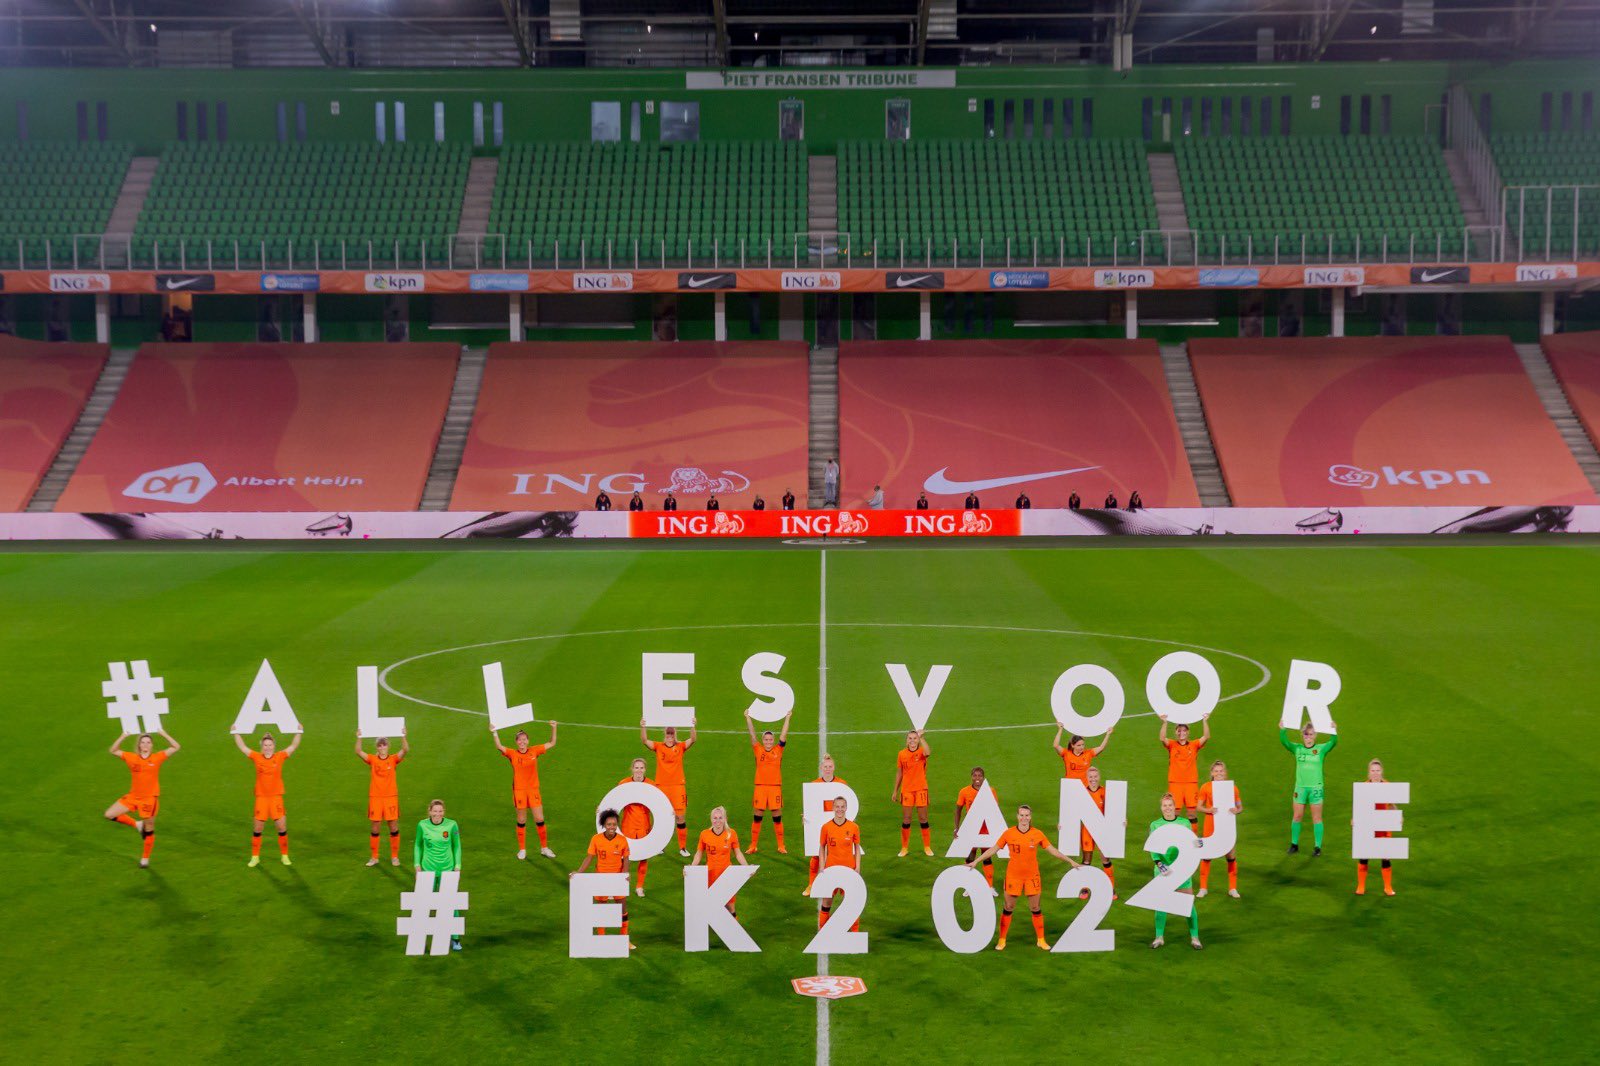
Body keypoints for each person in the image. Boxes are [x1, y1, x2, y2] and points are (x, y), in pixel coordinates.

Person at [968, 805, 1080, 951]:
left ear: (1030, 817)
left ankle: (1041, 939)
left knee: (1035, 907)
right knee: (1009, 907)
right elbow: (993, 849)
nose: (1024, 818)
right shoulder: (1008, 834)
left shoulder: (1038, 834)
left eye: (1027, 815)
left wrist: (1070, 861)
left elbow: (1052, 850)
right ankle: (1002, 940)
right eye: (1021, 815)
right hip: (1013, 877)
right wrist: (976, 861)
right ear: (1017, 816)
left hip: (1032, 877)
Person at [105, 730, 180, 868]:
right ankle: (137, 824)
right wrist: (123, 735)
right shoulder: (131, 758)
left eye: (148, 742)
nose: (145, 744)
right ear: (139, 745)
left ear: (152, 745)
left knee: (149, 829)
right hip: (133, 797)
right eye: (143, 742)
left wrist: (162, 733)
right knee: (109, 814)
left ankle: (145, 858)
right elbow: (113, 750)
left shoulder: (157, 758)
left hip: (149, 800)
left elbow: (176, 747)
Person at [489, 721, 558, 859]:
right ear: (516, 742)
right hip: (519, 791)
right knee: (521, 819)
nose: (522, 741)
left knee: (539, 818)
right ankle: (522, 849)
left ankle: (544, 848)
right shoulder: (512, 754)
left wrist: (554, 728)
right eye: (519, 739)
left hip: (533, 790)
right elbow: (499, 746)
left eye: (524, 739)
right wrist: (494, 732)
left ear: (528, 741)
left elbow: (552, 743)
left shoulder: (534, 750)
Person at [235, 728, 302, 867]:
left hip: (276, 798)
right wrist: (235, 733)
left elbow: (293, 746)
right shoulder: (256, 757)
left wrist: (298, 732)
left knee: (281, 827)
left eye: (270, 745)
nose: (267, 747)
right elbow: (242, 747)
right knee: (258, 829)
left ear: (274, 746)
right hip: (261, 799)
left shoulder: (280, 756)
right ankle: (255, 857)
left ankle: (284, 855)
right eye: (265, 745)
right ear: (262, 746)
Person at [572, 808, 632, 949]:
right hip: (600, 879)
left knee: (622, 908)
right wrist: (579, 872)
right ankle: (601, 938)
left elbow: (626, 859)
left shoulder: (622, 840)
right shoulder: (596, 839)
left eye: (614, 824)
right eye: (609, 824)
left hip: (617, 879)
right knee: (601, 909)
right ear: (604, 825)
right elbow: (589, 857)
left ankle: (624, 939)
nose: (612, 827)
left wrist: (625, 874)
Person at [1148, 793, 1202, 950]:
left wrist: (1198, 843)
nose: (1167, 808)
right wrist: (1159, 863)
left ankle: (1195, 937)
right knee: (1160, 905)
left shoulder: (1184, 823)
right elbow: (1153, 848)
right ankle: (1159, 937)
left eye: (1170, 805)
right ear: (1161, 808)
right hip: (1162, 870)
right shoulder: (1155, 825)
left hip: (1182, 869)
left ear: (1174, 807)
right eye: (1165, 805)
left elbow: (1192, 842)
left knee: (1188, 905)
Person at [1280, 718, 1338, 855]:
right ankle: (1294, 844)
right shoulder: (1297, 749)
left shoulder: (1320, 749)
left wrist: (1333, 731)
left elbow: (1333, 743)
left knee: (1316, 818)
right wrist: (1283, 730)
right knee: (1297, 816)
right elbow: (1285, 742)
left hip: (1315, 788)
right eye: (1306, 734)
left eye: (1311, 734)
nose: (1308, 737)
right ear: (1302, 736)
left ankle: (1317, 847)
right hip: (1300, 788)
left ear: (1315, 735)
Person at [414, 799, 464, 952]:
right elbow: (417, 845)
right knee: (424, 905)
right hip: (428, 870)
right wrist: (417, 866)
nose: (437, 814)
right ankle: (419, 939)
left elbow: (457, 846)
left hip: (447, 870)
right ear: (429, 811)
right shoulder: (422, 825)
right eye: (435, 811)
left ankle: (455, 939)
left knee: (452, 905)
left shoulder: (451, 825)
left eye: (440, 811)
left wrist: (458, 866)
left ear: (444, 812)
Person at [642, 718, 697, 855]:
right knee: (662, 817)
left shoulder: (680, 747)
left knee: (680, 817)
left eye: (672, 735)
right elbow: (644, 741)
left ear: (675, 735)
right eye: (668, 735)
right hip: (661, 787)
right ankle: (660, 846)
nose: (670, 737)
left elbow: (693, 739)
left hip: (678, 787)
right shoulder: (658, 746)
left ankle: (682, 848)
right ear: (665, 735)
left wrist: (692, 725)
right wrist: (643, 726)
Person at [357, 727, 409, 867]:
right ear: (377, 747)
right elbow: (358, 752)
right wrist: (359, 737)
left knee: (393, 825)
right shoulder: (373, 760)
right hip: (375, 798)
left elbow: (405, 750)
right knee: (375, 827)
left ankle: (394, 856)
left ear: (388, 746)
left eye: (384, 744)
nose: (382, 746)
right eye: (379, 744)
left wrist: (403, 735)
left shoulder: (393, 759)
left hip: (390, 797)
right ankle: (374, 857)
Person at [810, 797, 864, 931]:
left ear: (846, 808)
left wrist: (857, 866)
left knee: (851, 903)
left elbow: (857, 847)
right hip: (831, 869)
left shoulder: (853, 827)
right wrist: (822, 867)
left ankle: (855, 934)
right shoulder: (826, 827)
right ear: (833, 808)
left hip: (849, 870)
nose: (840, 809)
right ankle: (822, 932)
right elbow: (822, 847)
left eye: (842, 807)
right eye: (837, 806)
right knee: (826, 902)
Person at [690, 806, 749, 920]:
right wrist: (692, 868)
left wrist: (746, 868)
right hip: (711, 873)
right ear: (711, 819)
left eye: (720, 818)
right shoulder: (704, 834)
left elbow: (738, 853)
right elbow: (699, 853)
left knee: (730, 905)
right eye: (715, 818)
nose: (717, 821)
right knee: (712, 903)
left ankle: (733, 929)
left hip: (727, 874)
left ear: (725, 818)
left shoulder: (731, 833)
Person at [745, 711, 791, 854]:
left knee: (777, 817)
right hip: (760, 787)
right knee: (757, 816)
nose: (769, 742)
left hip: (775, 788)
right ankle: (753, 845)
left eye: (771, 740)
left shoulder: (779, 750)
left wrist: (787, 718)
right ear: (763, 740)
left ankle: (781, 845)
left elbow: (783, 736)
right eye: (766, 739)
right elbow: (752, 735)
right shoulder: (758, 749)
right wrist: (748, 718)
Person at [1196, 760, 1242, 898]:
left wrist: (1236, 810)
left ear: (1225, 773)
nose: (1219, 773)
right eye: (1216, 771)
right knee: (1206, 855)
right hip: (1210, 825)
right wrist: (1208, 809)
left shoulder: (1232, 788)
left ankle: (1232, 888)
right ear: (1212, 773)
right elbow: (1198, 807)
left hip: (1227, 824)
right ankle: (1203, 888)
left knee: (1231, 856)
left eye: (1221, 771)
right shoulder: (1206, 787)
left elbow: (1240, 807)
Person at [1075, 765, 1121, 899]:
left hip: (1102, 830)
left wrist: (1121, 822)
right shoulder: (1082, 792)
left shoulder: (1105, 792)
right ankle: (1084, 888)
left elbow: (1114, 811)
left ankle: (1111, 888)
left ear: (1099, 777)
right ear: (1087, 778)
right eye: (1091, 777)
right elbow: (1073, 813)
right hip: (1087, 831)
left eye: (1095, 776)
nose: (1093, 779)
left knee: (1105, 859)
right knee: (1086, 860)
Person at [1158, 713, 1210, 826]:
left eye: (1184, 730)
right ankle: (1175, 836)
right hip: (1175, 783)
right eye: (1179, 730)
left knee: (1192, 813)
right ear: (1176, 732)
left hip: (1191, 783)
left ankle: (1193, 838)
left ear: (1188, 732)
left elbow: (1206, 736)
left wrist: (1205, 721)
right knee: (1174, 813)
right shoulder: (1172, 744)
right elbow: (1162, 738)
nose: (1181, 733)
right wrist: (1165, 723)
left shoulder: (1194, 745)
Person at [1354, 758, 1396, 896]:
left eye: (1378, 770)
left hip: (1384, 825)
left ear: (1381, 771)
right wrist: (1354, 819)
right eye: (1373, 771)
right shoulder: (1364, 787)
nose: (1375, 773)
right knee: (1364, 856)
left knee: (1385, 857)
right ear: (1369, 772)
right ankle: (1361, 886)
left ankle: (1387, 887)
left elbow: (1392, 804)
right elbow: (1359, 807)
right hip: (1368, 825)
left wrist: (1397, 816)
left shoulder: (1387, 785)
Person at [807, 755, 848, 894]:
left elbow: (847, 805)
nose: (828, 769)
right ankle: (811, 884)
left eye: (830, 767)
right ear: (821, 768)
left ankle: (840, 886)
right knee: (816, 854)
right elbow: (810, 806)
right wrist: (806, 818)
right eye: (825, 767)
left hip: (837, 824)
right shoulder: (814, 785)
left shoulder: (842, 784)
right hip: (820, 824)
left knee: (838, 854)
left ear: (834, 768)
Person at [954, 766, 999, 893]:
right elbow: (958, 810)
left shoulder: (990, 791)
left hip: (985, 829)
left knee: (987, 857)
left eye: (980, 776)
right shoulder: (964, 791)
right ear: (971, 777)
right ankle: (969, 886)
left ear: (983, 777)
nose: (977, 778)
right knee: (970, 857)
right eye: (975, 775)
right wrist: (956, 828)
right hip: (971, 828)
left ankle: (990, 886)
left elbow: (995, 812)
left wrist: (995, 829)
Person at [892, 729, 934, 857]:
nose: (912, 740)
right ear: (906, 741)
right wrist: (895, 791)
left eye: (914, 738)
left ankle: (927, 847)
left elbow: (928, 752)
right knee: (906, 819)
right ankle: (904, 848)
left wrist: (921, 738)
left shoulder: (921, 751)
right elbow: (899, 773)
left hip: (921, 789)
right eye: (910, 738)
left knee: (923, 818)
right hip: (907, 791)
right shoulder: (901, 754)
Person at [618, 758, 655, 897]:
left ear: (645, 769)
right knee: (622, 858)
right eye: (636, 768)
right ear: (632, 769)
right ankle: (619, 886)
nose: (639, 770)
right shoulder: (624, 783)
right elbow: (614, 802)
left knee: (643, 857)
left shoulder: (652, 785)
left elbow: (660, 804)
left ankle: (639, 886)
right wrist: (602, 810)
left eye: (641, 768)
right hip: (628, 825)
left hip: (644, 825)